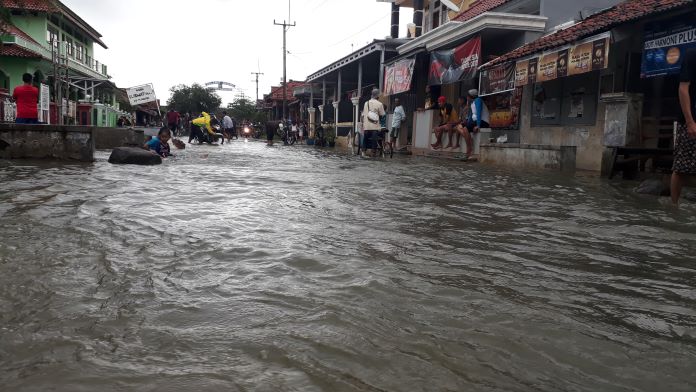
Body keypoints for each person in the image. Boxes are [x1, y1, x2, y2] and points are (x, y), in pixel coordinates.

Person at [671, 49, 696, 205]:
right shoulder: (692, 55)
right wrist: (690, 121)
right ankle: (674, 206)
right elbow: (683, 88)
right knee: (681, 167)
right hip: (691, 120)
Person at [455, 89, 490, 160]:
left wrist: (478, 125)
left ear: (470, 96)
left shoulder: (478, 100)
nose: (467, 98)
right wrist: (466, 123)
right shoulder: (472, 103)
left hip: (483, 121)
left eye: (467, 96)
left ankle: (469, 151)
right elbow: (471, 116)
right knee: (459, 127)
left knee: (465, 129)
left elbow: (479, 113)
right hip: (475, 121)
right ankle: (469, 139)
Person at [361, 88, 386, 156]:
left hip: (366, 127)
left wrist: (363, 124)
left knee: (365, 138)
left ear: (372, 95)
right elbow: (382, 115)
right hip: (375, 127)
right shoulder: (380, 104)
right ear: (378, 96)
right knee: (374, 140)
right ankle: (373, 152)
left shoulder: (366, 103)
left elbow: (363, 115)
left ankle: (363, 151)